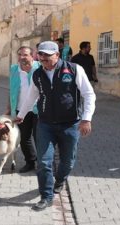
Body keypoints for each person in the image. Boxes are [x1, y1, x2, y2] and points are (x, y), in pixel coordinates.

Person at [15, 41, 96, 211]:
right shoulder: (37, 74)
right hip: (46, 124)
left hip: (70, 124)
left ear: (57, 55)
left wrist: (86, 119)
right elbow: (31, 97)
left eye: (47, 55)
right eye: (41, 54)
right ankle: (46, 196)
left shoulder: (73, 69)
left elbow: (89, 95)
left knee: (67, 161)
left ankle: (59, 180)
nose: (43, 58)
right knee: (44, 162)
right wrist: (21, 115)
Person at [6, 46, 41, 173]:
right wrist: (9, 107)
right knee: (24, 138)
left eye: (25, 55)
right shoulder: (14, 70)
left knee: (40, 138)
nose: (22, 57)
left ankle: (43, 164)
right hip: (21, 110)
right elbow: (11, 90)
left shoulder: (40, 68)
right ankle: (30, 162)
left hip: (39, 109)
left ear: (33, 56)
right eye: (19, 54)